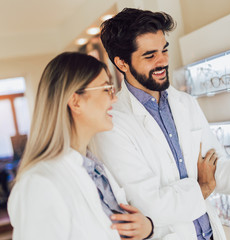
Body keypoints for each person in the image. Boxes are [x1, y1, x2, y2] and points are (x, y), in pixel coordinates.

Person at [94, 8, 230, 240]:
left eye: (164, 50)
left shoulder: (184, 102)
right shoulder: (112, 123)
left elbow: (212, 169)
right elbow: (150, 205)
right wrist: (203, 188)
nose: (163, 61)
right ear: (122, 63)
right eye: (150, 55)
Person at [7, 52, 154, 240]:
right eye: (106, 89)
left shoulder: (95, 169)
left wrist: (147, 228)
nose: (114, 98)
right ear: (76, 102)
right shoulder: (39, 183)